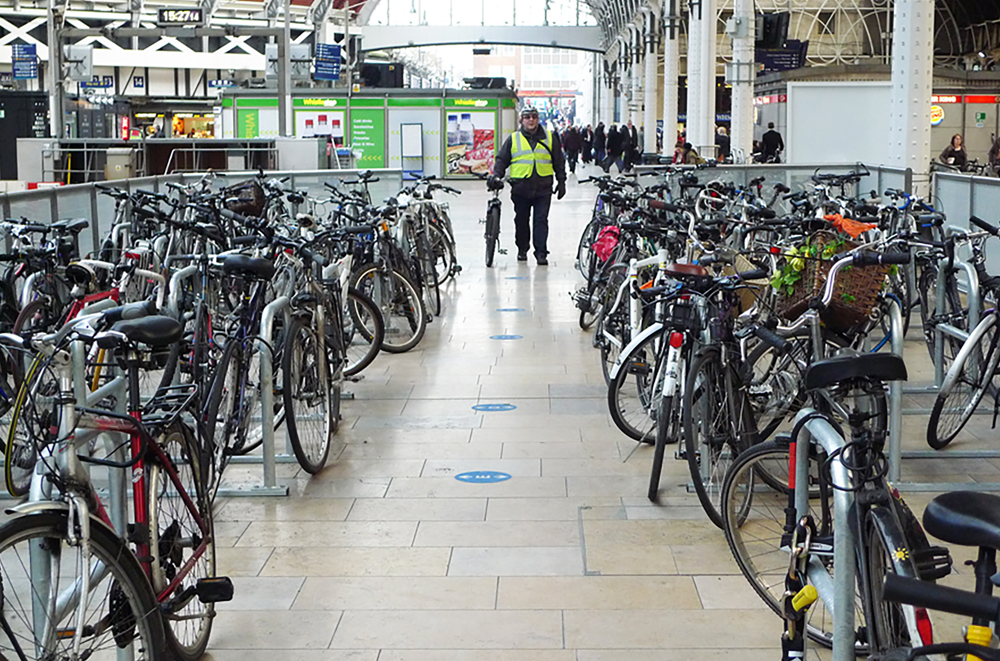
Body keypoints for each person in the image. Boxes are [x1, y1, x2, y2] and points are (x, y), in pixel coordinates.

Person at [490, 106, 567, 266]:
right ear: (522, 120)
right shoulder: (514, 138)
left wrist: (562, 181)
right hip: (520, 187)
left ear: (538, 119)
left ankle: (541, 253)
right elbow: (502, 159)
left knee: (541, 220)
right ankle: (522, 249)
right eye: (527, 117)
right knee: (521, 220)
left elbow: (559, 160)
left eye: (534, 116)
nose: (531, 120)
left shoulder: (550, 137)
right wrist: (497, 174)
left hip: (543, 187)